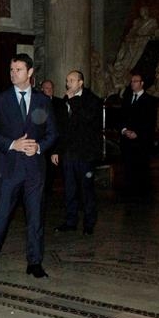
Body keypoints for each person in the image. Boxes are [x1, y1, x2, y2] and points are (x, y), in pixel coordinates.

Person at [0, 53, 57, 278]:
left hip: (35, 169)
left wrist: (39, 147)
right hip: (8, 168)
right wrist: (12, 144)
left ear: (30, 72)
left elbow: (53, 133)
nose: (13, 74)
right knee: (2, 213)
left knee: (35, 216)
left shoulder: (42, 100)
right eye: (11, 70)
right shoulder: (1, 99)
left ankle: (34, 262)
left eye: (18, 70)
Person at [51, 70, 103, 235]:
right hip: (68, 153)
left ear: (80, 82)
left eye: (71, 80)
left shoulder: (92, 100)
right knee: (70, 189)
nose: (68, 84)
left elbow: (87, 119)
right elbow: (61, 128)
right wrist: (56, 150)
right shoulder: (65, 101)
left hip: (85, 153)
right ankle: (70, 221)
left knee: (86, 190)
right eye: (67, 80)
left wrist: (73, 100)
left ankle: (89, 223)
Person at [119, 71, 158, 201]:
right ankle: (128, 191)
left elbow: (150, 121)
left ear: (142, 83)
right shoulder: (126, 99)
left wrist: (138, 133)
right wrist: (124, 130)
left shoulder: (149, 100)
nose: (132, 83)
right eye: (132, 81)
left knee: (141, 167)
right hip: (127, 140)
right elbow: (122, 117)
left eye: (135, 81)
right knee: (128, 166)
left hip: (141, 141)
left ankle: (142, 193)